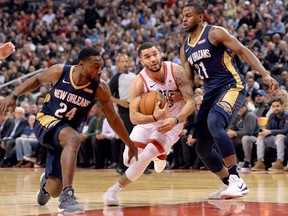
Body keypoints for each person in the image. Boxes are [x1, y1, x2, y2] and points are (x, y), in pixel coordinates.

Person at [0, 47, 138, 213]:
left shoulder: (100, 88)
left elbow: (114, 119)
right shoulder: (60, 71)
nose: (99, 71)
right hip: (46, 121)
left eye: (101, 67)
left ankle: (46, 186)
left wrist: (130, 144)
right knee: (74, 138)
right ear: (81, 65)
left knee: (54, 189)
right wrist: (14, 95)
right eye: (95, 66)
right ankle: (67, 196)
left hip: (65, 136)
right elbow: (37, 79)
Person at [180, 2, 279, 199]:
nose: (184, 19)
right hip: (210, 93)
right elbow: (189, 82)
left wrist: (265, 74)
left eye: (188, 15)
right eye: (182, 15)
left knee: (215, 122)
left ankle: (236, 179)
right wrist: (180, 101)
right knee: (203, 147)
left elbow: (243, 50)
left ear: (200, 17)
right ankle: (230, 184)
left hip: (231, 86)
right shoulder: (185, 49)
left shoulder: (214, 33)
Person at [103, 42, 195, 206]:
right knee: (128, 160)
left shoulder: (175, 71)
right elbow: (134, 117)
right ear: (140, 61)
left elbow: (191, 102)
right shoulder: (139, 81)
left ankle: (113, 191)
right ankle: (161, 154)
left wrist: (175, 119)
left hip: (172, 122)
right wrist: (153, 117)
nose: (153, 59)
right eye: (147, 56)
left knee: (145, 156)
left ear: (160, 54)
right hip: (150, 121)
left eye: (155, 54)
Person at [251, 98, 288, 171]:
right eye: (273, 106)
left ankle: (279, 161)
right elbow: (268, 129)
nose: (275, 108)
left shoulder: (286, 115)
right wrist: (263, 133)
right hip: (274, 140)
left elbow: (285, 130)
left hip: (285, 140)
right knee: (260, 137)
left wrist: (270, 132)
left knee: (279, 136)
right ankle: (260, 161)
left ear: (282, 106)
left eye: (277, 106)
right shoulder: (271, 116)